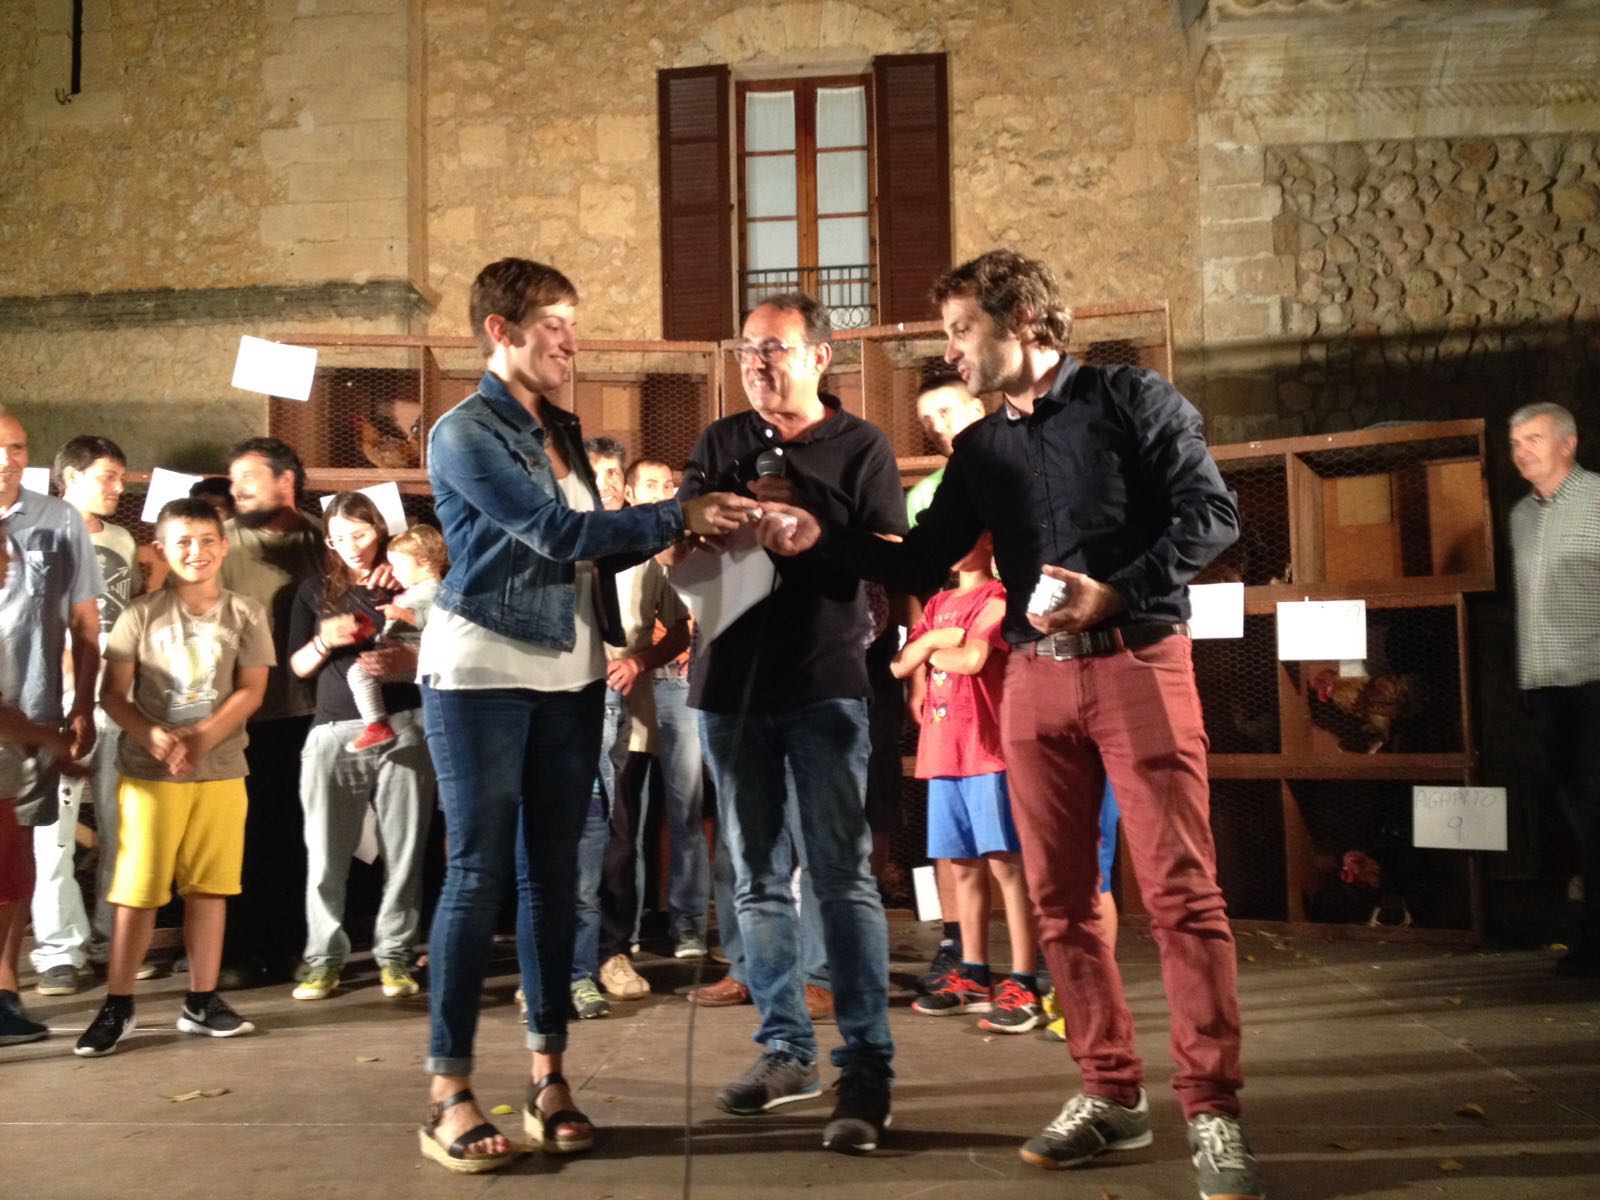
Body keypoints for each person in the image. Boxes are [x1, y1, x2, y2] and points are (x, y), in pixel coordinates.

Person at [757, 250, 1263, 1199]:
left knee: (1181, 895)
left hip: (1140, 663)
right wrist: (817, 537)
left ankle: (1212, 1109)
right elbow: (920, 562)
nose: (950, 351)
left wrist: (1117, 592)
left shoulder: (1131, 400)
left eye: (961, 330)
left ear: (1023, 320)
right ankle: (1109, 1092)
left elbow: (1212, 515)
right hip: (1032, 682)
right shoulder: (984, 449)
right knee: (1060, 900)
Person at [414, 257, 753, 1174]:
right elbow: (558, 535)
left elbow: (592, 553)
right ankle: (448, 1092)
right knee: (477, 874)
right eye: (554, 324)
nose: (572, 341)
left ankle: (548, 1077)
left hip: (570, 674)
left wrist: (690, 535)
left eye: (573, 324)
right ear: (500, 330)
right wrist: (675, 511)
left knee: (553, 877)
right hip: (481, 672)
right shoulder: (464, 431)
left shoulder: (560, 429)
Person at [672, 291, 906, 1154]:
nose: (758, 364)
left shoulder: (862, 447)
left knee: (841, 877)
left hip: (823, 686)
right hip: (731, 687)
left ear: (819, 356)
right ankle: (786, 1051)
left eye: (774, 348)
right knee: (756, 878)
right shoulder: (720, 444)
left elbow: (894, 559)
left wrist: (813, 525)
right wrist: (707, 526)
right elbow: (679, 551)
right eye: (747, 350)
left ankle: (867, 1066)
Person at [74, 498, 273, 1055]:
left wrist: (202, 738)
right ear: (161, 550)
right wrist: (154, 736)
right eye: (183, 541)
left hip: (222, 771)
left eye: (207, 540)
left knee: (210, 887)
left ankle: (201, 1000)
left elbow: (252, 689)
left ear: (224, 546)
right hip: (150, 776)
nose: (197, 551)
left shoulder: (246, 613)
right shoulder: (139, 615)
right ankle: (118, 1004)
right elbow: (114, 695)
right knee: (137, 890)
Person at [286, 492, 436, 1002]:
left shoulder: (411, 583)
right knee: (326, 853)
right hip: (333, 729)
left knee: (405, 850)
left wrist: (409, 662)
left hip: (405, 723)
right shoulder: (314, 590)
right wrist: (325, 640)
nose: (352, 546)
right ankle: (323, 958)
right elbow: (296, 667)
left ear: (381, 530)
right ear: (327, 542)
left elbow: (450, 648)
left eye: (361, 533)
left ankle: (395, 954)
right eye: (339, 538)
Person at [892, 533, 1043, 1032]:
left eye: (967, 533)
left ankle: (1024, 980)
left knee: (1006, 867)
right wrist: (933, 642)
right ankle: (974, 974)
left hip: (986, 751)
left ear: (989, 541)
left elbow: (973, 660)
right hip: (942, 753)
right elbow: (899, 664)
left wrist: (927, 648)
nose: (955, 544)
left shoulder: (998, 596)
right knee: (963, 868)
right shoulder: (937, 604)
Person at [0, 408, 102, 1043]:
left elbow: (86, 626)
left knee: (15, 861)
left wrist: (79, 706)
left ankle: (5, 986)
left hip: (33, 712)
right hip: (22, 725)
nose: (5, 459)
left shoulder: (58, 521)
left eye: (15, 447)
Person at [31, 436, 143, 996]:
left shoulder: (121, 540)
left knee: (123, 831)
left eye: (121, 476)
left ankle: (107, 941)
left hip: (117, 704)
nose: (118, 487)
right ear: (69, 476)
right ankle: (59, 950)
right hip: (55, 707)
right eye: (107, 477)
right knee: (53, 834)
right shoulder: (36, 533)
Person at [220, 437, 326, 983]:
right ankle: (238, 950)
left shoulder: (323, 538)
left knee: (300, 833)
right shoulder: (222, 543)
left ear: (286, 481)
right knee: (242, 835)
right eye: (233, 478)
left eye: (248, 477)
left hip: (310, 712)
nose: (236, 488)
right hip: (241, 716)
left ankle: (292, 947)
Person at [1508, 401, 1600, 978]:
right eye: (1516, 442)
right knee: (1577, 813)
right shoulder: (1521, 516)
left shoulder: (1598, 501)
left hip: (1593, 680)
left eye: (1534, 439)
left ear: (1568, 444)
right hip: (1548, 688)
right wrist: (1527, 677)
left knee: (1594, 813)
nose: (1522, 451)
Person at [905, 372, 990, 987]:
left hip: (1006, 645)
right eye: (927, 419)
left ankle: (1036, 955)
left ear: (978, 407)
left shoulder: (1018, 469)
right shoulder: (925, 494)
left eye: (947, 411)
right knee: (949, 816)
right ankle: (957, 945)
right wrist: (919, 671)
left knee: (1013, 816)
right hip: (947, 670)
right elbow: (917, 583)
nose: (938, 426)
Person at [341, 522, 446, 754]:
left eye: (398, 566)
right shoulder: (417, 590)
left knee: (360, 673)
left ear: (424, 562)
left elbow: (433, 619)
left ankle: (377, 725)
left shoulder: (434, 590)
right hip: (407, 656)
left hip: (417, 660)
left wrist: (401, 614)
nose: (394, 572)